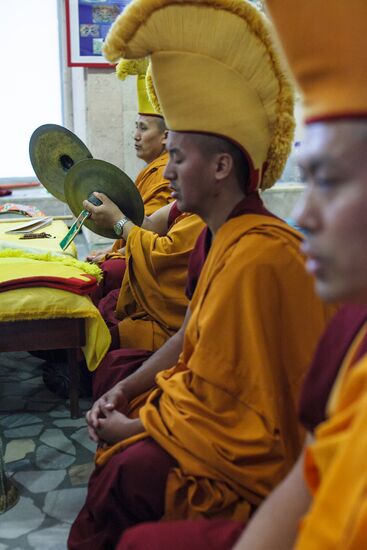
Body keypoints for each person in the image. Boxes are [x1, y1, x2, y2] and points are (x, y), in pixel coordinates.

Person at [67, 1, 333, 547]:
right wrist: (131, 392)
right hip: (207, 413)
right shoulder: (218, 235)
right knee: (120, 400)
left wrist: (140, 426)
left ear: (220, 167)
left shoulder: (261, 256)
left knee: (125, 470)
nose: (165, 171)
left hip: (254, 452)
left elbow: (247, 411)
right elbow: (191, 334)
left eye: (177, 157)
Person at [88, 58, 173, 299]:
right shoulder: (151, 169)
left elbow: (153, 236)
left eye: (143, 128)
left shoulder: (166, 172)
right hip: (142, 248)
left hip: (157, 265)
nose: (135, 136)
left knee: (108, 272)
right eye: (136, 127)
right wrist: (112, 249)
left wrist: (115, 244)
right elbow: (144, 226)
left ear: (166, 136)